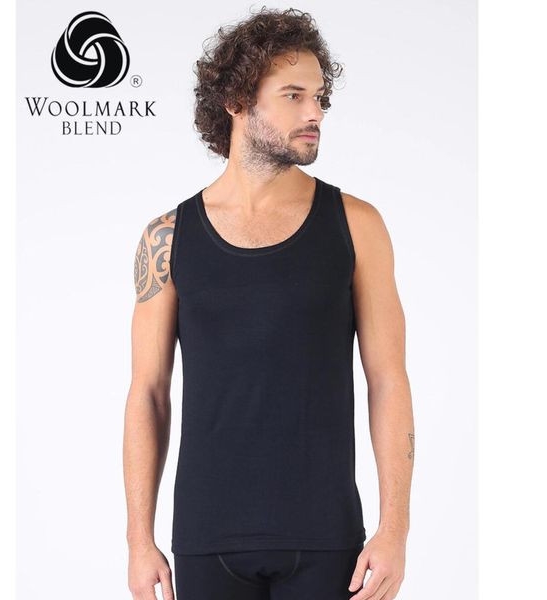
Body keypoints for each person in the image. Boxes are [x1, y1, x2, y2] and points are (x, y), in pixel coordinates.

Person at [123, 7, 414, 600]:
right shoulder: (167, 237)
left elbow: (388, 380)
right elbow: (148, 392)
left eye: (320, 97)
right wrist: (138, 539)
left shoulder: (357, 225)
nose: (315, 113)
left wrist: (395, 530)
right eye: (294, 96)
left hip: (328, 539)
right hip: (206, 538)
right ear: (236, 101)